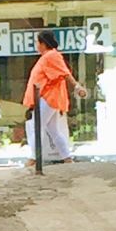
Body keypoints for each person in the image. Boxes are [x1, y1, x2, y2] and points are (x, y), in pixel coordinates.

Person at [22, 31, 87, 166]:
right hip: (48, 97)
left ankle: (33, 158)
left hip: (48, 97)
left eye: (37, 43)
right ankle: (67, 158)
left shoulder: (51, 55)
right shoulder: (49, 56)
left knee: (37, 126)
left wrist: (77, 87)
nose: (36, 45)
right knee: (54, 130)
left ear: (43, 44)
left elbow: (65, 73)